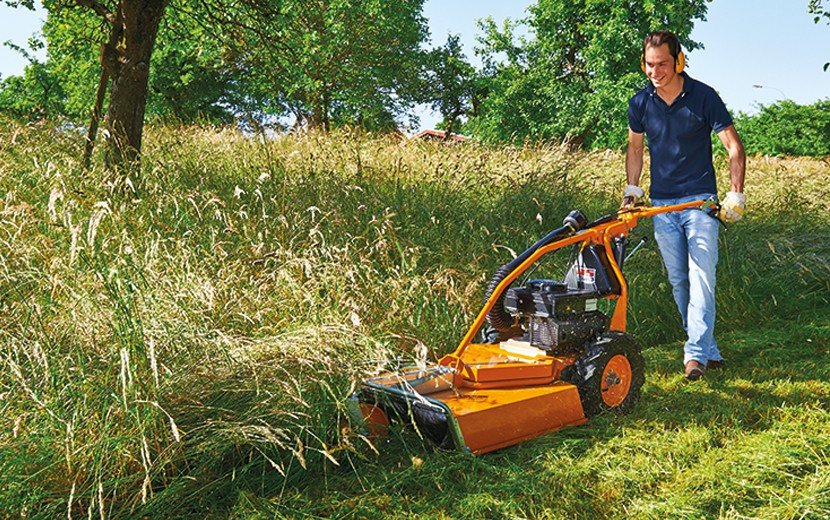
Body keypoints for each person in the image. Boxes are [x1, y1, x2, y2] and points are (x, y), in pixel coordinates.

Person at [622, 30, 746, 380]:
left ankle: (694, 356)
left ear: (678, 61)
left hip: (700, 204)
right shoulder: (640, 103)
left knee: (702, 278)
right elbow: (635, 148)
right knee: (680, 282)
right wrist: (632, 190)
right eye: (649, 64)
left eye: (662, 64)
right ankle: (708, 351)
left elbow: (734, 147)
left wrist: (736, 193)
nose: (655, 72)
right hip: (662, 206)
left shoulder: (704, 97)